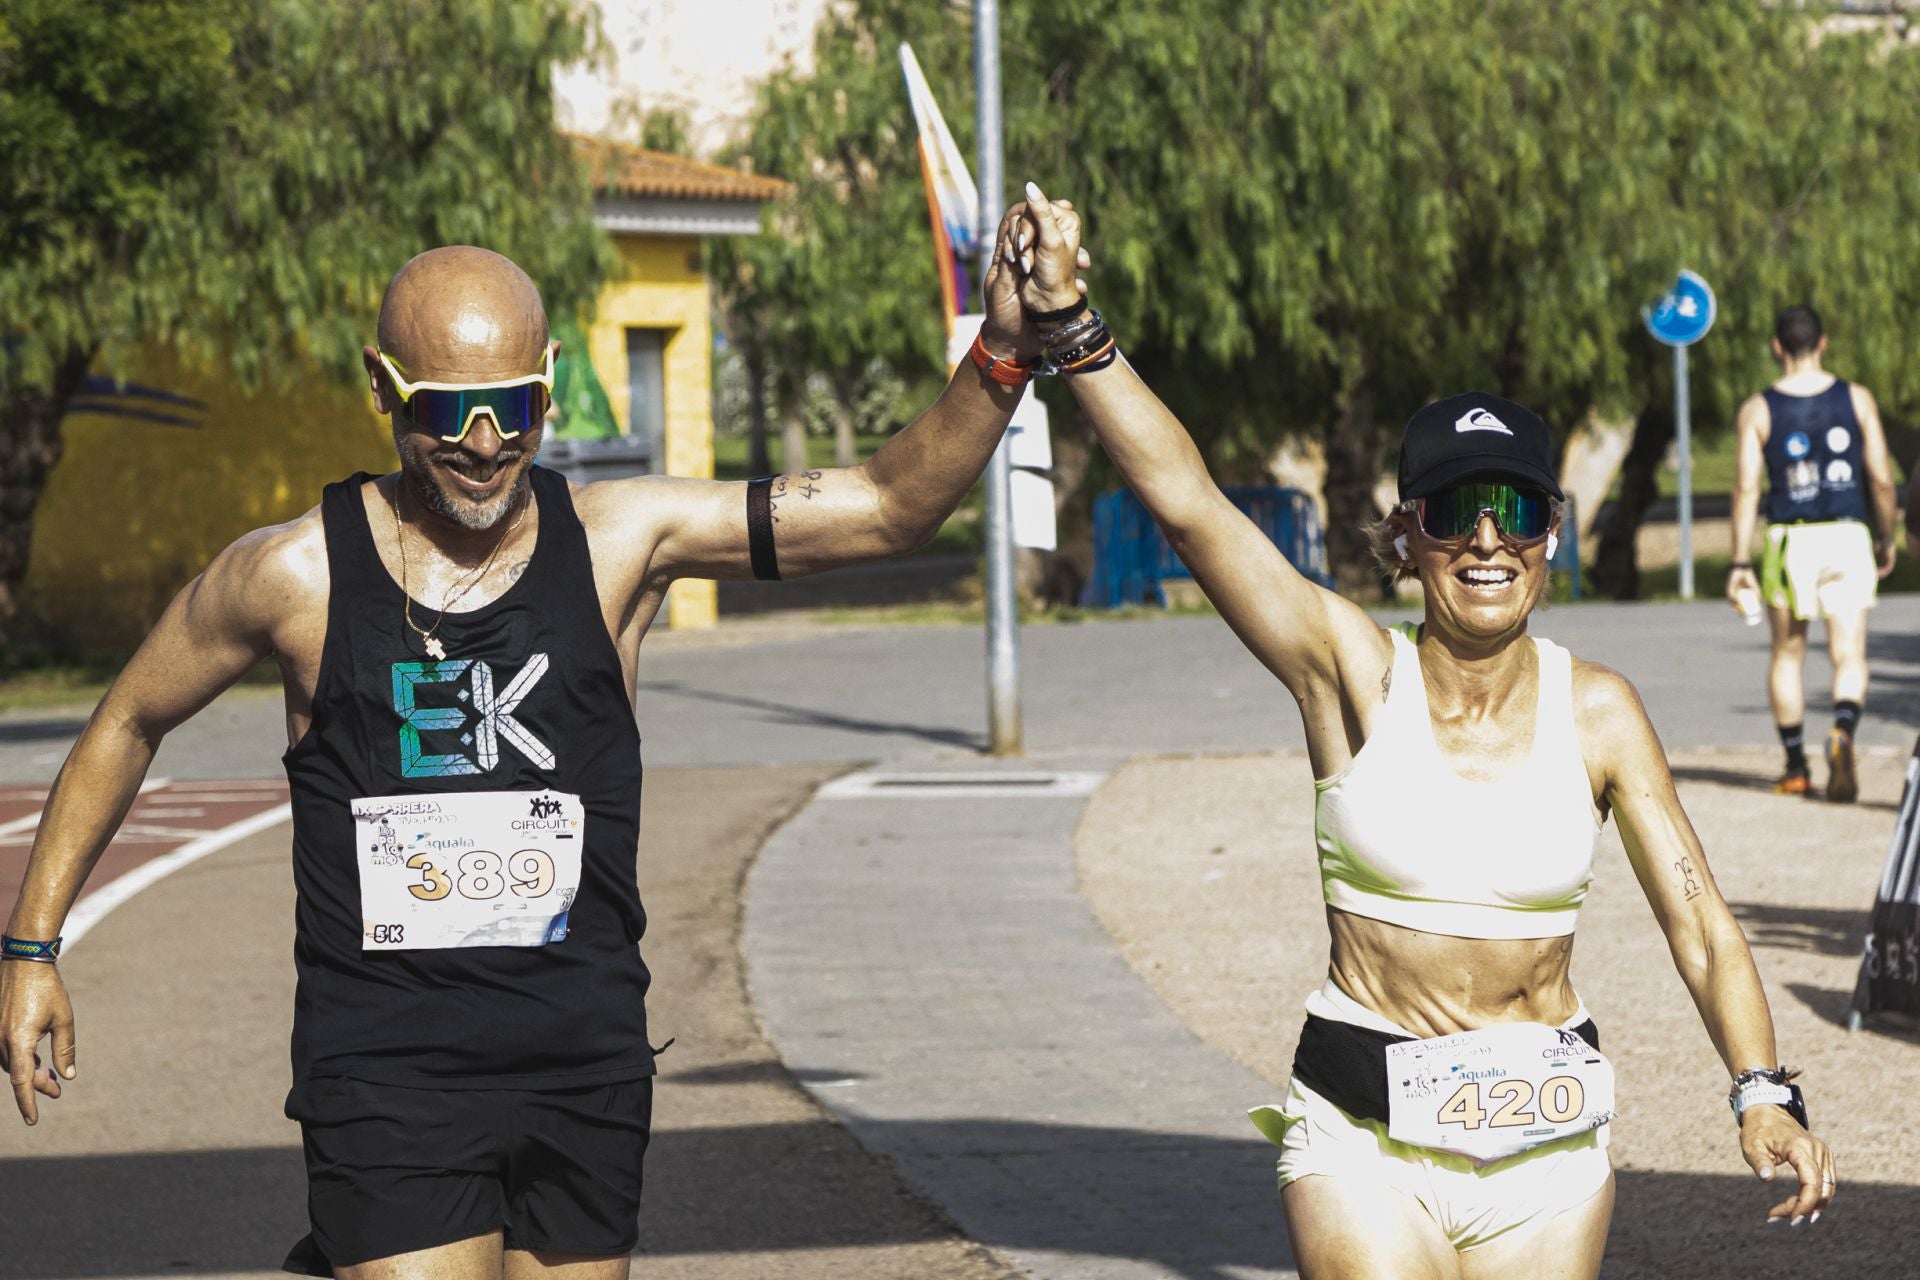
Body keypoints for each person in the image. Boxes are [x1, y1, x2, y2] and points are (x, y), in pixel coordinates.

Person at [0, 208, 1086, 1278]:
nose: (484, 444)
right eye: (450, 410)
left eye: (512, 405)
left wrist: (1001, 349)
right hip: (387, 1066)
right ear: (382, 389)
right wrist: (32, 943)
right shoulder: (297, 574)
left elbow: (888, 507)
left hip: (583, 1056)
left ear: (551, 378)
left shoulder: (622, 543)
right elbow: (128, 719)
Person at [1009, 185, 1836, 1278]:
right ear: (1408, 533)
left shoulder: (1598, 708)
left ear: (1550, 535)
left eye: (1517, 508)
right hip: (1365, 1139)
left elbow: (1701, 923)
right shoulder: (1349, 669)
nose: (1486, 538)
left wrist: (1762, 1087)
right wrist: (1073, 326)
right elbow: (1192, 504)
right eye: (1453, 510)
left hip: (1547, 1149)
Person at [1727, 305, 1897, 801]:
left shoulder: (1758, 410)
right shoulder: (1857, 398)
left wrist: (1739, 562)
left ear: (1777, 347)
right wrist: (1884, 535)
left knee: (1787, 654)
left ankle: (1797, 765)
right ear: (1823, 343)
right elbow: (1883, 479)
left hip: (1789, 538)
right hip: (1847, 533)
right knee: (1849, 653)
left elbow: (1744, 488)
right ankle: (1843, 729)